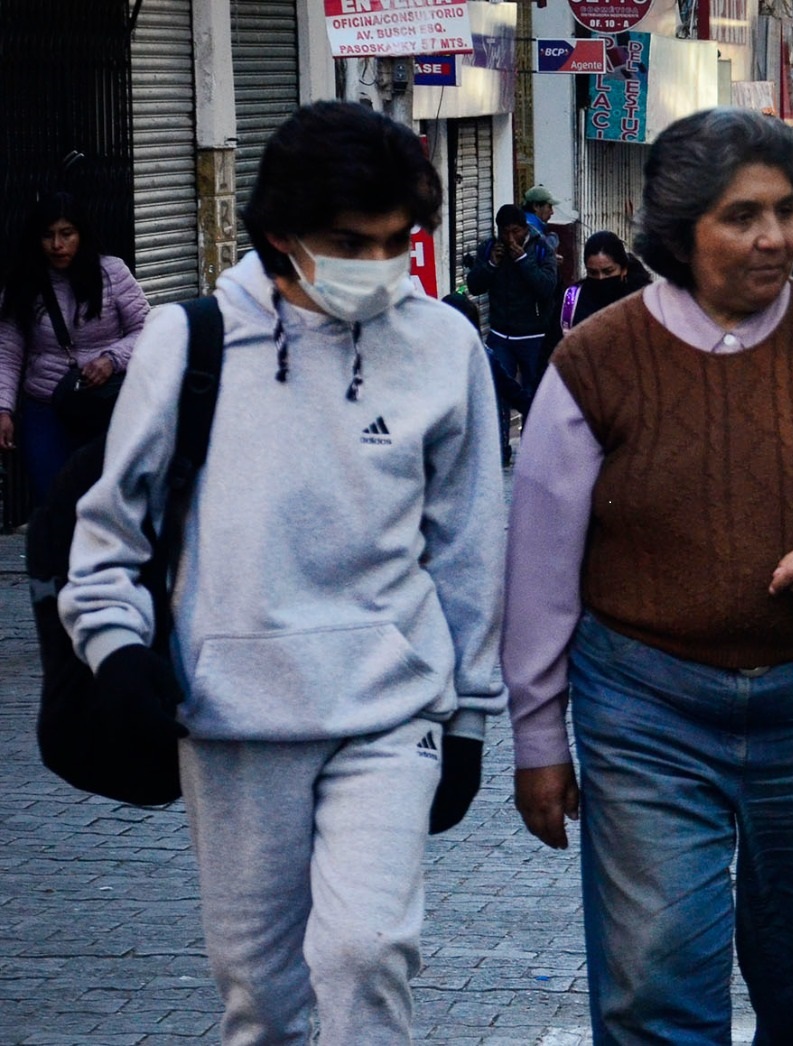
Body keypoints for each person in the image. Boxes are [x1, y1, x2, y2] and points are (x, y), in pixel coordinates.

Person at [503, 107, 793, 1042]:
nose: (774, 237)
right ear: (679, 232)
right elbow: (541, 566)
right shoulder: (596, 361)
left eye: (786, 210)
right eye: (742, 216)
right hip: (647, 706)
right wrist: (536, 737)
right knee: (653, 987)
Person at [58, 101, 509, 1044]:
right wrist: (118, 654)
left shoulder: (444, 346)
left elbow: (469, 545)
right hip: (233, 718)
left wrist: (467, 716)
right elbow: (106, 536)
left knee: (366, 953)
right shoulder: (190, 343)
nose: (379, 265)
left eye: (400, 242)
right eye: (350, 241)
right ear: (279, 233)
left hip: (391, 708)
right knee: (260, 1000)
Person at [0, 192, 149, 500]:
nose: (57, 245)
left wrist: (111, 359)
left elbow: (146, 329)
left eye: (66, 234)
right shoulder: (22, 284)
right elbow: (8, 353)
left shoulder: (112, 273)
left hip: (103, 402)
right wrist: (3, 409)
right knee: (55, 499)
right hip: (46, 405)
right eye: (48, 236)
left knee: (106, 497)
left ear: (81, 234)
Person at [466, 203, 558, 414]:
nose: (510, 238)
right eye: (505, 232)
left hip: (534, 337)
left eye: (515, 232)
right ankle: (501, 445)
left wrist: (523, 261)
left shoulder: (542, 249)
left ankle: (532, 444)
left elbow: (547, 288)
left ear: (525, 228)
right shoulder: (490, 248)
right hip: (500, 336)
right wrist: (491, 264)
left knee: (534, 397)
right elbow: (474, 286)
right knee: (497, 395)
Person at [550, 230, 651, 342]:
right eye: (593, 272)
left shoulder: (642, 303)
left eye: (608, 271)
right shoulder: (572, 301)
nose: (600, 278)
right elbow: (551, 351)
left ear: (624, 269)